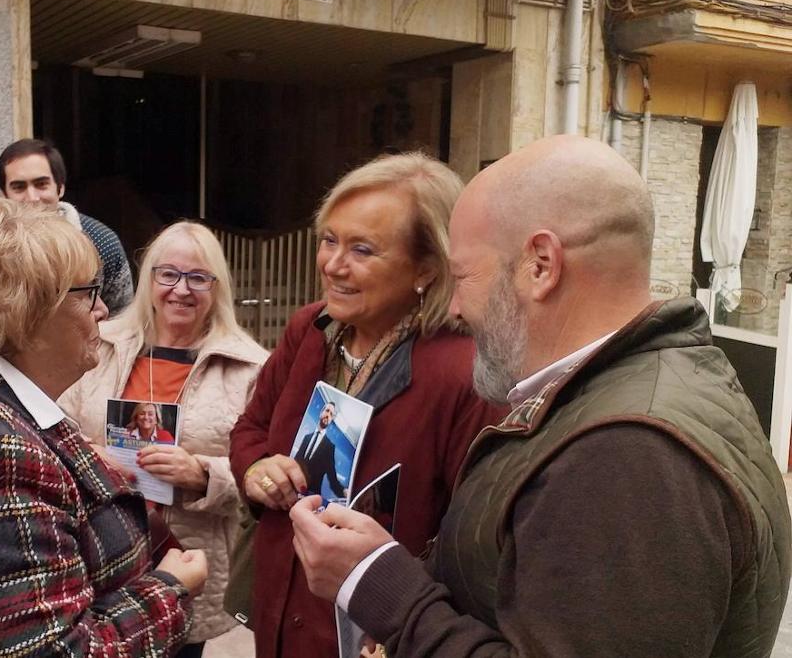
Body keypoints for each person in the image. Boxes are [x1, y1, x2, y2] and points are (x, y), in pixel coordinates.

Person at [289, 135, 792, 657]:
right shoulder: (625, 395)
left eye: (461, 277)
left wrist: (383, 591)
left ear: (540, 265)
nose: (455, 308)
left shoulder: (630, 454)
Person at [0, 199, 207, 657]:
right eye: (88, 292)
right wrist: (171, 589)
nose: (104, 310)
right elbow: (59, 652)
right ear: (29, 312)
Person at [229, 152, 499, 658]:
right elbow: (251, 428)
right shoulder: (310, 331)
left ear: (426, 267)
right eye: (329, 240)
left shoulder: (462, 373)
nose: (333, 264)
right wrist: (258, 469)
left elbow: (472, 541)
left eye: (363, 250)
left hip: (375, 633)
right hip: (281, 614)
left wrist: (406, 617)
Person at [60, 221, 269, 657]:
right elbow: (54, 426)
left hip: (184, 558)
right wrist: (89, 456)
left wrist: (202, 475)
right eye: (168, 274)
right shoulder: (102, 344)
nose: (181, 289)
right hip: (97, 550)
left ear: (217, 287)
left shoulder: (250, 367)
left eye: (198, 278)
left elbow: (266, 472)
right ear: (149, 279)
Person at [0, 138, 134, 314]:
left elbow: (122, 319)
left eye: (41, 184)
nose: (32, 197)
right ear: (4, 195)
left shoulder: (103, 242)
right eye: (19, 187)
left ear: (60, 188)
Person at [293, 399, 344, 497]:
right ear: (321, 412)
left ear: (332, 419)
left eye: (331, 415)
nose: (328, 415)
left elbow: (332, 479)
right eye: (327, 411)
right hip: (295, 488)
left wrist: (343, 492)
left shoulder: (330, 447)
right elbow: (296, 461)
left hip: (311, 497)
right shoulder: (307, 437)